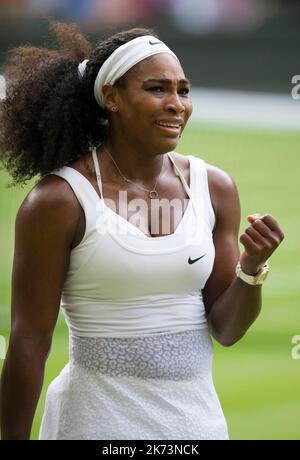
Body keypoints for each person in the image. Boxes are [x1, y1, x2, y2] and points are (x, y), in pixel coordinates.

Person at [0, 21, 284, 441]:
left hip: (197, 425)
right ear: (112, 98)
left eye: (183, 91)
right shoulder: (59, 201)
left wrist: (251, 267)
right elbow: (28, 342)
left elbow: (226, 329)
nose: (176, 104)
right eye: (157, 89)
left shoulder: (215, 187)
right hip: (94, 422)